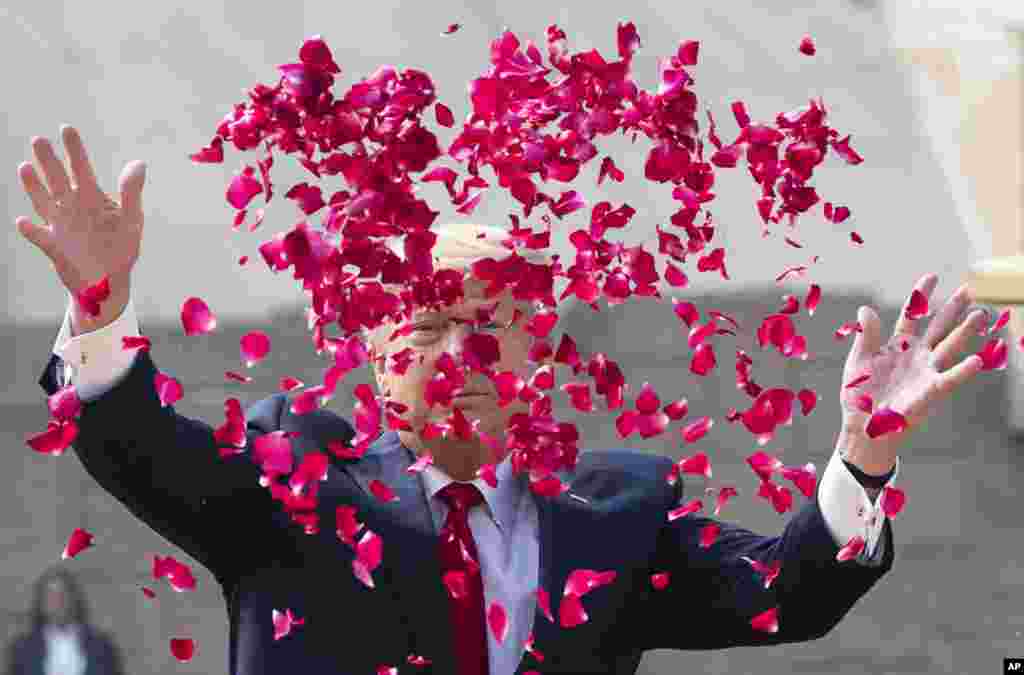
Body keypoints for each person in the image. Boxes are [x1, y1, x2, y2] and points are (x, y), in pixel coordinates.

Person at [15, 125, 985, 674]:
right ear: (376, 355)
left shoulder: (621, 515)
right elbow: (136, 443)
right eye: (430, 325)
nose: (463, 349)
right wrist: (98, 306)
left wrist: (864, 450)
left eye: (493, 322)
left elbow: (788, 596)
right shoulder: (291, 489)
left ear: (542, 356)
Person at [4, 565, 126, 675]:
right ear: (41, 603)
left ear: (74, 599)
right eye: (50, 594)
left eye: (62, 593)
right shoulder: (22, 650)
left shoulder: (101, 647)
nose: (57, 601)